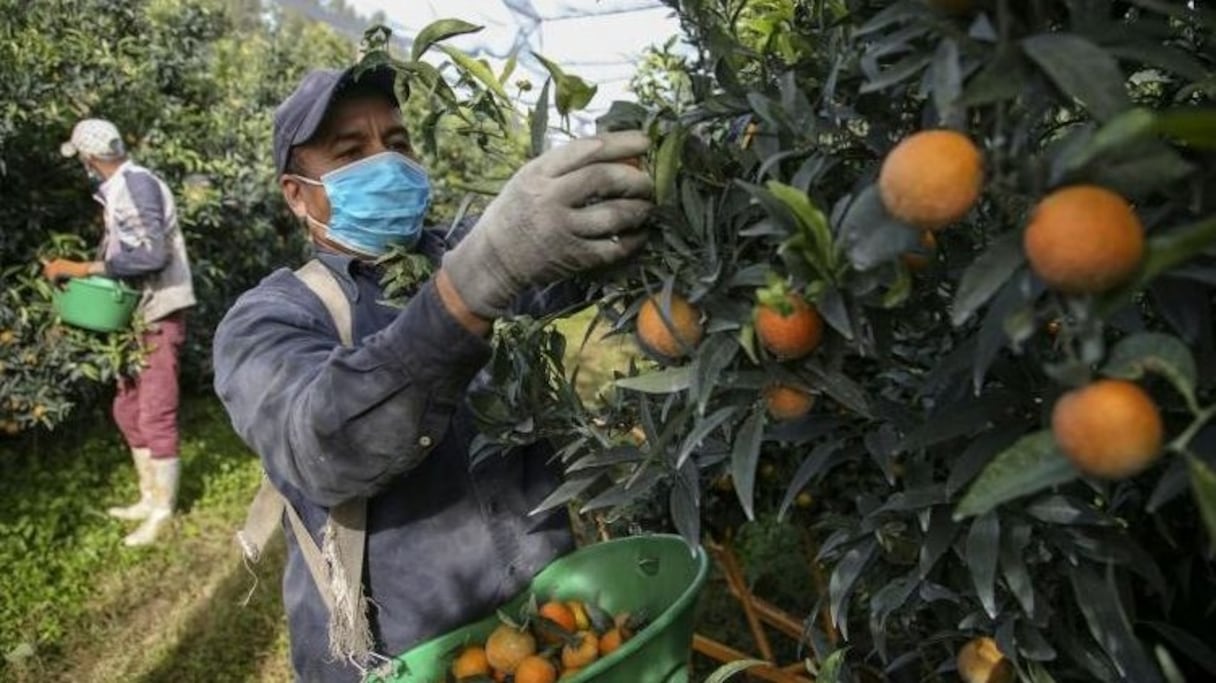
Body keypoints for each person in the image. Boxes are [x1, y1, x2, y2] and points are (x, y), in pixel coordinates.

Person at [212, 63, 653, 680]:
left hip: (542, 622)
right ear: (296, 193)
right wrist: (472, 287)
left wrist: (638, 178)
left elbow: (576, 262)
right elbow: (323, 449)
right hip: (404, 651)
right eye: (351, 151)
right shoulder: (270, 318)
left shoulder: (459, 251)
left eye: (396, 143)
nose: (385, 162)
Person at [47, 119, 197, 547]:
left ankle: (163, 511)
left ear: (89, 159)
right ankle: (149, 497)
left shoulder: (136, 184)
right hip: (132, 315)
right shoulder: (118, 189)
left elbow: (151, 254)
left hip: (157, 312)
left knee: (155, 410)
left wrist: (83, 269)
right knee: (127, 408)